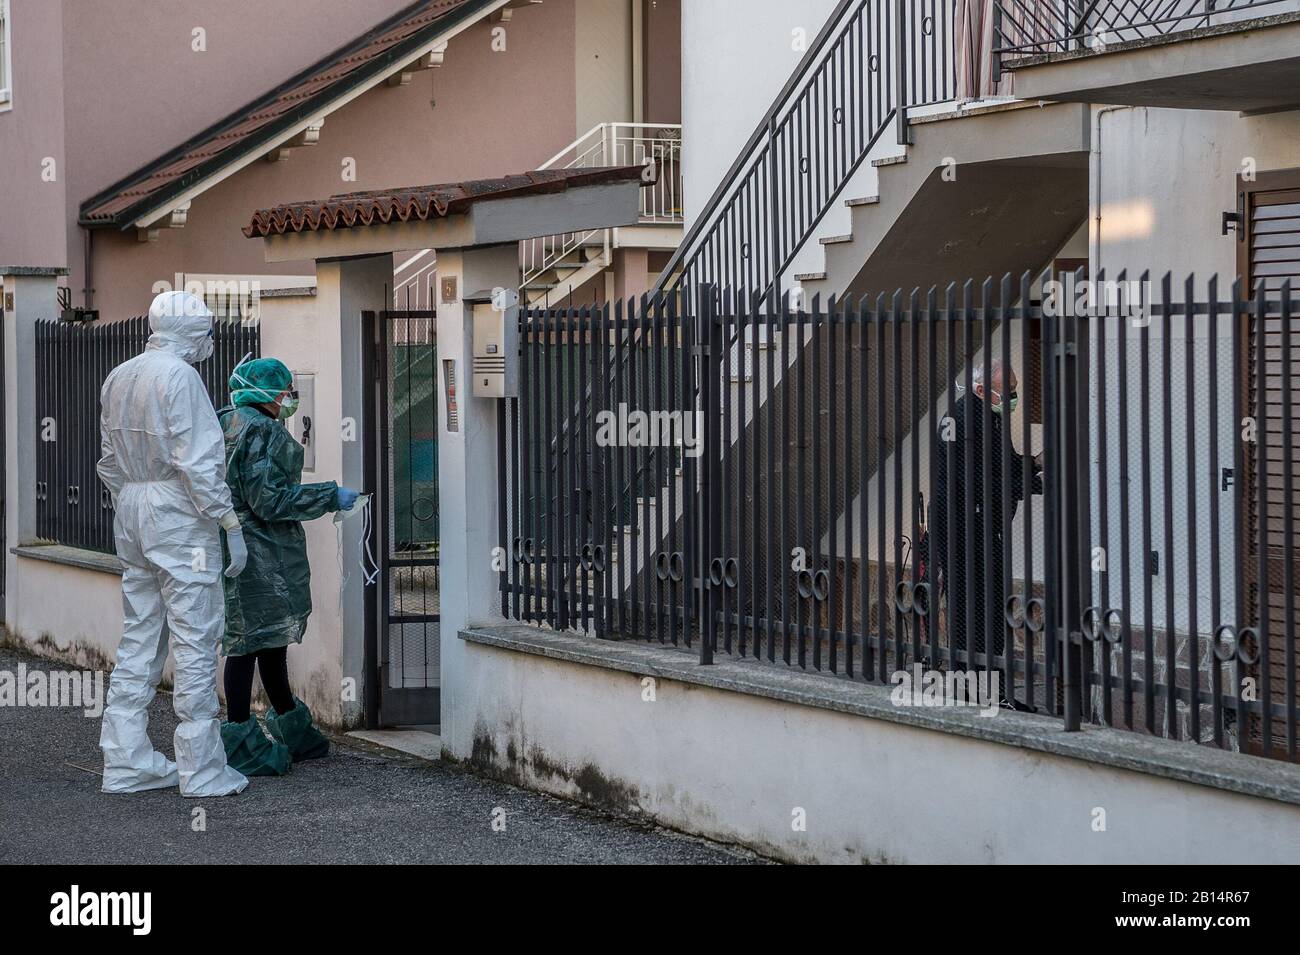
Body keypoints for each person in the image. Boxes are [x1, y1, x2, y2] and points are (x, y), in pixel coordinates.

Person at [98, 290, 250, 797]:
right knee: (195, 636)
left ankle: (125, 760)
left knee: (140, 634)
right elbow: (199, 459)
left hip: (134, 509)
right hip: (179, 513)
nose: (210, 341)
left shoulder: (121, 375)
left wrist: (132, 504)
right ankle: (201, 769)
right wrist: (227, 520)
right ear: (192, 333)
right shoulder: (181, 378)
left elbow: (108, 460)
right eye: (207, 331)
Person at [217, 357, 361, 775]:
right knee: (249, 643)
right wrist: (330, 496)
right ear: (266, 394)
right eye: (285, 393)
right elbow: (270, 500)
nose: (289, 399)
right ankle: (242, 741)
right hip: (261, 549)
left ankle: (290, 729)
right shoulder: (261, 430)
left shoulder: (228, 421)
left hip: (235, 543)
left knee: (264, 636)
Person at [930, 359, 1043, 707]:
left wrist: (1035, 463)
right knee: (969, 612)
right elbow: (975, 483)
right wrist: (1031, 483)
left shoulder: (991, 417)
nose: (1011, 398)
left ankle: (994, 692)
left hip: (983, 528)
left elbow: (1003, 464)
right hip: (961, 529)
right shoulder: (960, 421)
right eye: (1006, 392)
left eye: (1013, 391)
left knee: (992, 611)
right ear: (981, 390)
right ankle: (973, 691)